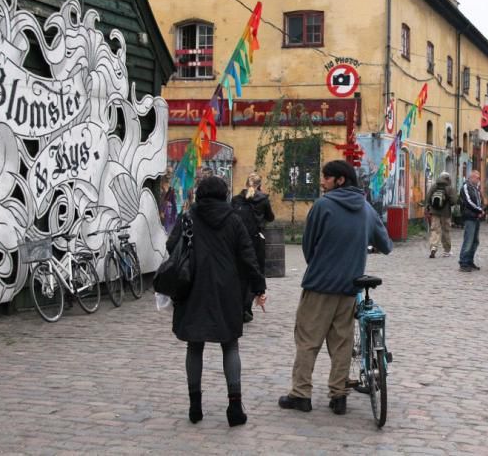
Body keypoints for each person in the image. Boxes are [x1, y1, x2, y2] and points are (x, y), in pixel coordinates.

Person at [279, 160, 392, 416]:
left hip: (319, 285)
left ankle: (301, 394)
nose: (322, 182)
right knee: (341, 344)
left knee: (308, 340)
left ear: (339, 180)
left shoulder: (323, 206)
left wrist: (320, 265)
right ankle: (339, 396)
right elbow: (386, 244)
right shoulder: (365, 208)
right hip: (349, 287)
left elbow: (308, 245)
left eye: (326, 178)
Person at [166, 176, 267, 428]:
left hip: (193, 288)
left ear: (200, 194)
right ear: (223, 195)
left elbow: (171, 246)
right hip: (227, 289)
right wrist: (258, 287)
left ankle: (195, 406)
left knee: (194, 346)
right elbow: (248, 256)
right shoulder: (233, 219)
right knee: (230, 346)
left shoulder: (188, 217)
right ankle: (234, 407)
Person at [232, 173, 275, 322]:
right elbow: (270, 217)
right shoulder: (263, 200)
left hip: (237, 241)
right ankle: (246, 307)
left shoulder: (236, 200)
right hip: (255, 241)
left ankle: (236, 307)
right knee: (254, 272)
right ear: (259, 185)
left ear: (246, 184)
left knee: (238, 273)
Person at [425, 172, 457, 258]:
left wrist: (429, 207)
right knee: (446, 231)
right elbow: (454, 201)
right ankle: (447, 250)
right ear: (448, 179)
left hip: (434, 212)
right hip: (446, 213)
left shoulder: (434, 186)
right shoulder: (449, 188)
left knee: (435, 230)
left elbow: (428, 197)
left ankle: (433, 247)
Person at [458, 170, 484, 272]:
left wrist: (481, 209)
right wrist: (479, 210)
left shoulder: (475, 188)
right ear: (472, 177)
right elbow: (468, 202)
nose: (478, 180)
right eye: (477, 178)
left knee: (475, 241)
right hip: (469, 216)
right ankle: (463, 262)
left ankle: (470, 260)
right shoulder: (466, 187)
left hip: (476, 216)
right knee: (468, 240)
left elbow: (479, 201)